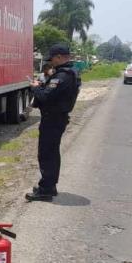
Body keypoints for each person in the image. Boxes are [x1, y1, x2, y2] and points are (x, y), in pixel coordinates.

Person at [26, 43, 80, 202]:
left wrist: (36, 87)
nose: (51, 63)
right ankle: (49, 186)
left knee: (47, 155)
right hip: (57, 118)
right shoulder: (69, 73)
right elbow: (53, 94)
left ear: (59, 57)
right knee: (51, 153)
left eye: (53, 59)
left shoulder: (62, 76)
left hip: (53, 119)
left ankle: (46, 190)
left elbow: (45, 97)